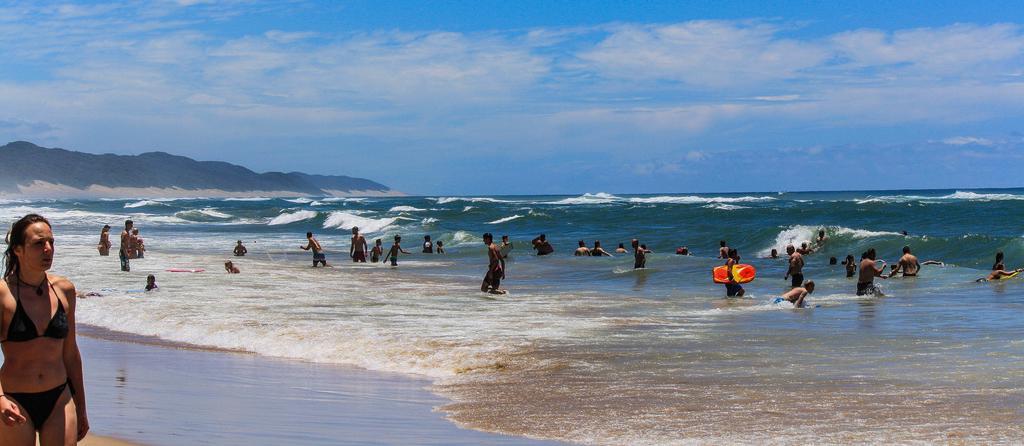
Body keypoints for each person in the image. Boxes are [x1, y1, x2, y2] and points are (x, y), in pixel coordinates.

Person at [0, 214, 89, 442]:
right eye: (39, 243)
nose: (48, 249)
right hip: (13, 399)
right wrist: (0, 399)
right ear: (18, 250)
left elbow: (71, 354)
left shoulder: (64, 290)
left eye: (51, 242)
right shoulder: (3, 295)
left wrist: (81, 407)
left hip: (60, 397)